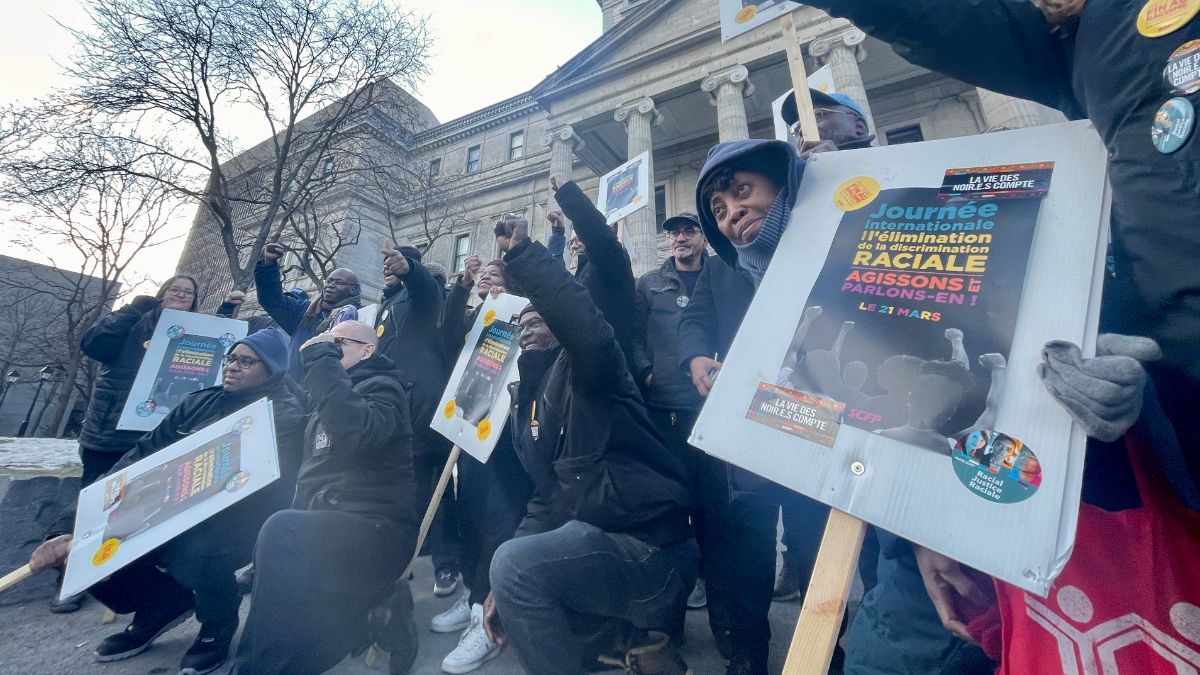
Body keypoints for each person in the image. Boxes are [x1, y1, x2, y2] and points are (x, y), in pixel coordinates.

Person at [485, 216, 697, 675]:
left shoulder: (596, 366)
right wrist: (496, 588)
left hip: (651, 547)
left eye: (538, 318)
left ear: (561, 327)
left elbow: (580, 318)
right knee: (510, 572)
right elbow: (546, 497)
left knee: (516, 568)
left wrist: (524, 257)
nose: (526, 328)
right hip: (599, 541)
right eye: (520, 324)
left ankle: (637, 634)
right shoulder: (529, 399)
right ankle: (634, 648)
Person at [30, 328, 307, 675]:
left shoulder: (285, 414)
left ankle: (217, 622)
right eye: (231, 358)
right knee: (86, 553)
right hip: (164, 507)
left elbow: (253, 483)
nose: (232, 367)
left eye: (246, 361)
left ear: (272, 369)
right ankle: (161, 605)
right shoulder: (198, 402)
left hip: (237, 520)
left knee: (192, 549)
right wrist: (69, 528)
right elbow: (137, 460)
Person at [678, 139, 830, 675]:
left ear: (782, 186)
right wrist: (696, 356)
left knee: (817, 551)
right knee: (743, 554)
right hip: (752, 433)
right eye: (718, 209)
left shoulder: (832, 234)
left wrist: (832, 174)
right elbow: (695, 319)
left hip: (823, 432)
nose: (732, 214)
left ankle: (826, 653)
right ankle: (746, 655)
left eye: (743, 192)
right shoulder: (723, 268)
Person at [232, 320, 420, 675]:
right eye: (326, 347)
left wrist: (320, 358)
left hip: (377, 531)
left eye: (338, 346)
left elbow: (356, 434)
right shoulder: (327, 398)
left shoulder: (385, 388)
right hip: (330, 529)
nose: (329, 351)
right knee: (309, 651)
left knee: (282, 530)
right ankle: (375, 610)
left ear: (367, 350)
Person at [43, 275, 200, 613]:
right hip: (110, 433)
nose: (181, 295)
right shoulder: (132, 323)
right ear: (160, 293)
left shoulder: (190, 334)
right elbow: (94, 344)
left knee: (142, 511)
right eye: (174, 288)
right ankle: (69, 581)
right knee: (92, 505)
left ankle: (124, 579)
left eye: (188, 292)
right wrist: (132, 310)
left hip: (155, 436)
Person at [433, 238, 535, 674]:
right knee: (472, 514)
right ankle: (473, 593)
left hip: (507, 437)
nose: (486, 281)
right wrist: (462, 286)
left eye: (494, 275)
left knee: (499, 518)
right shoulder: (477, 319)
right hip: (472, 430)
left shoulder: (523, 312)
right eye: (484, 277)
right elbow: (444, 333)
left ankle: (489, 614)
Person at [630, 213, 727, 629]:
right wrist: (647, 370)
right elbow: (631, 333)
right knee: (672, 504)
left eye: (689, 231)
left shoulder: (723, 276)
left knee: (715, 506)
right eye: (674, 233)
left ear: (703, 237)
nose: (681, 238)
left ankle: (713, 581)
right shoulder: (649, 284)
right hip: (666, 407)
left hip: (715, 407)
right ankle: (674, 603)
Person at [376, 242, 463, 601]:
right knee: (399, 492)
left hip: (423, 407)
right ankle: (400, 558)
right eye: (386, 261)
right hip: (391, 410)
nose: (387, 266)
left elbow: (425, 289)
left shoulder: (425, 296)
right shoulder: (387, 304)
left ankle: (447, 564)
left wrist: (410, 271)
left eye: (395, 260)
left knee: (435, 491)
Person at [254, 242, 362, 381]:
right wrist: (269, 263)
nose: (330, 286)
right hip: (294, 391)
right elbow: (270, 299)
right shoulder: (302, 312)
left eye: (338, 283)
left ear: (352, 289)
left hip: (330, 391)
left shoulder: (359, 318)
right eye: (329, 281)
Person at [780, 88, 875, 156]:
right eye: (796, 129)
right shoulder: (796, 181)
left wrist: (836, 163)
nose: (801, 131)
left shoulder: (886, 163)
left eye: (816, 115)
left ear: (859, 127)